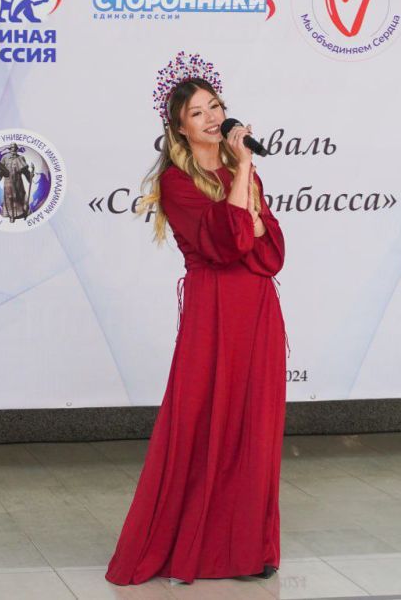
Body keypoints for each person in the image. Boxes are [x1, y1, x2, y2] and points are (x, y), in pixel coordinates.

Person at [106, 52, 286, 585]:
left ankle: (249, 548)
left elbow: (270, 251)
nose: (212, 118)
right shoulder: (176, 182)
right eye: (198, 113)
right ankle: (198, 547)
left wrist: (244, 196)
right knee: (207, 423)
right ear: (179, 128)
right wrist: (244, 177)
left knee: (255, 427)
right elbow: (230, 242)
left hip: (258, 307)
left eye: (215, 107)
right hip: (214, 311)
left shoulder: (238, 172)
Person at [0, 143, 33, 222]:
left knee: (19, 196)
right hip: (8, 181)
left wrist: (30, 175)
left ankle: (22, 213)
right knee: (9, 197)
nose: (13, 150)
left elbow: (25, 171)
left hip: (18, 181)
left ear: (17, 149)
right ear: (9, 149)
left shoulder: (21, 158)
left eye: (15, 148)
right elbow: (1, 169)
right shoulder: (5, 158)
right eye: (12, 148)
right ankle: (11, 215)